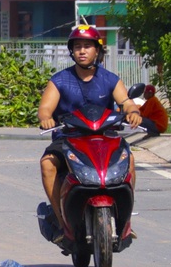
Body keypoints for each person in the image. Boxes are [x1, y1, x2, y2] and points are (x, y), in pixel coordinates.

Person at [38, 25, 142, 231]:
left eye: (87, 46)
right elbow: (45, 108)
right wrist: (46, 118)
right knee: (47, 164)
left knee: (129, 159)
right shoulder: (59, 80)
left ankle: (125, 219)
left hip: (104, 137)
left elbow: (126, 101)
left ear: (97, 50)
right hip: (69, 139)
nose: (82, 51)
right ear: (71, 51)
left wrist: (133, 112)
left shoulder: (109, 79)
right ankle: (61, 222)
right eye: (77, 47)